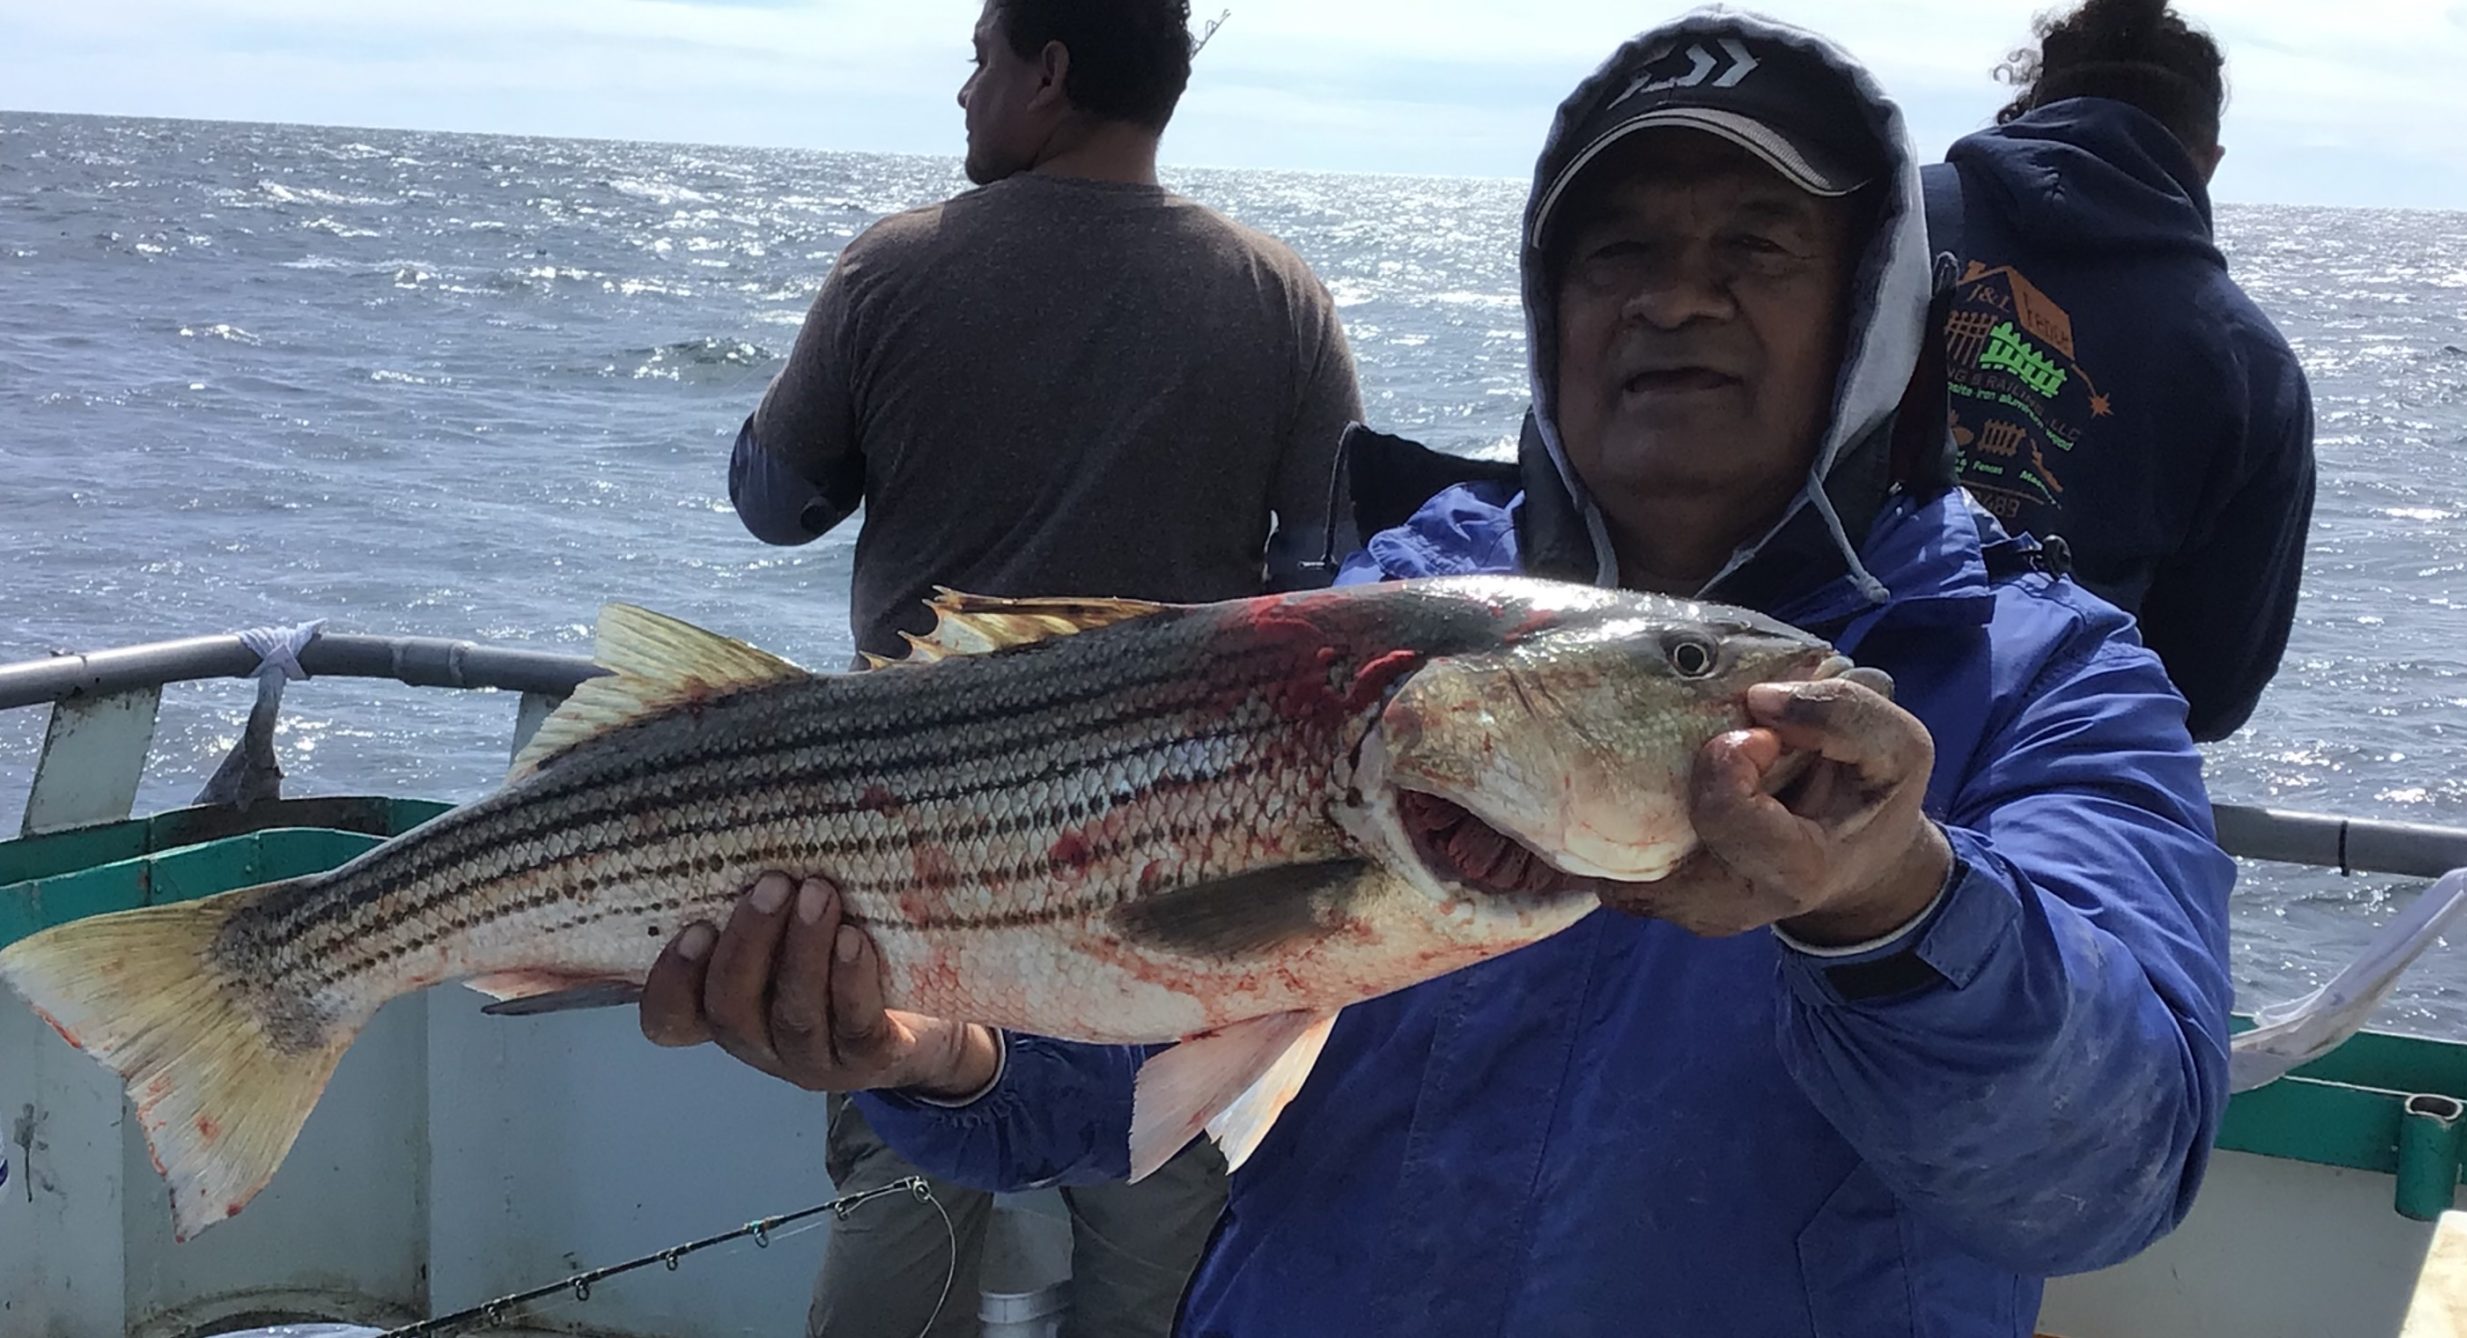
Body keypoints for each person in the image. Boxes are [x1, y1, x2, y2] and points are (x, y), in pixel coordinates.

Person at [651, 9, 2236, 1335]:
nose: (1675, 295)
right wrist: (938, 1050)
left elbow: (2110, 1168)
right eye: (1614, 251)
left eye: (1757, 246)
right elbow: (1126, 1055)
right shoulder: (1383, 624)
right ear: (1548, 309)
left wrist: (1893, 907)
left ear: (1878, 313)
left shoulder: (2039, 678)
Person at [722, 1, 1366, 1333]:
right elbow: (1325, 588)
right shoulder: (1280, 294)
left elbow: (771, 501)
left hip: (915, 849)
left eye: (981, 61)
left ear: (1048, 76)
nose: (966, 95)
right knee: (1157, 1234)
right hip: (1180, 870)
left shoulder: (894, 268)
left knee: (903, 1204)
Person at [1922, 0, 2317, 742]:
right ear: (2206, 160)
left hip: (1765, 731)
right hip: (2031, 778)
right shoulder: (2252, 363)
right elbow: (2209, 690)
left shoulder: (1870, 218)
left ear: (2030, 105)